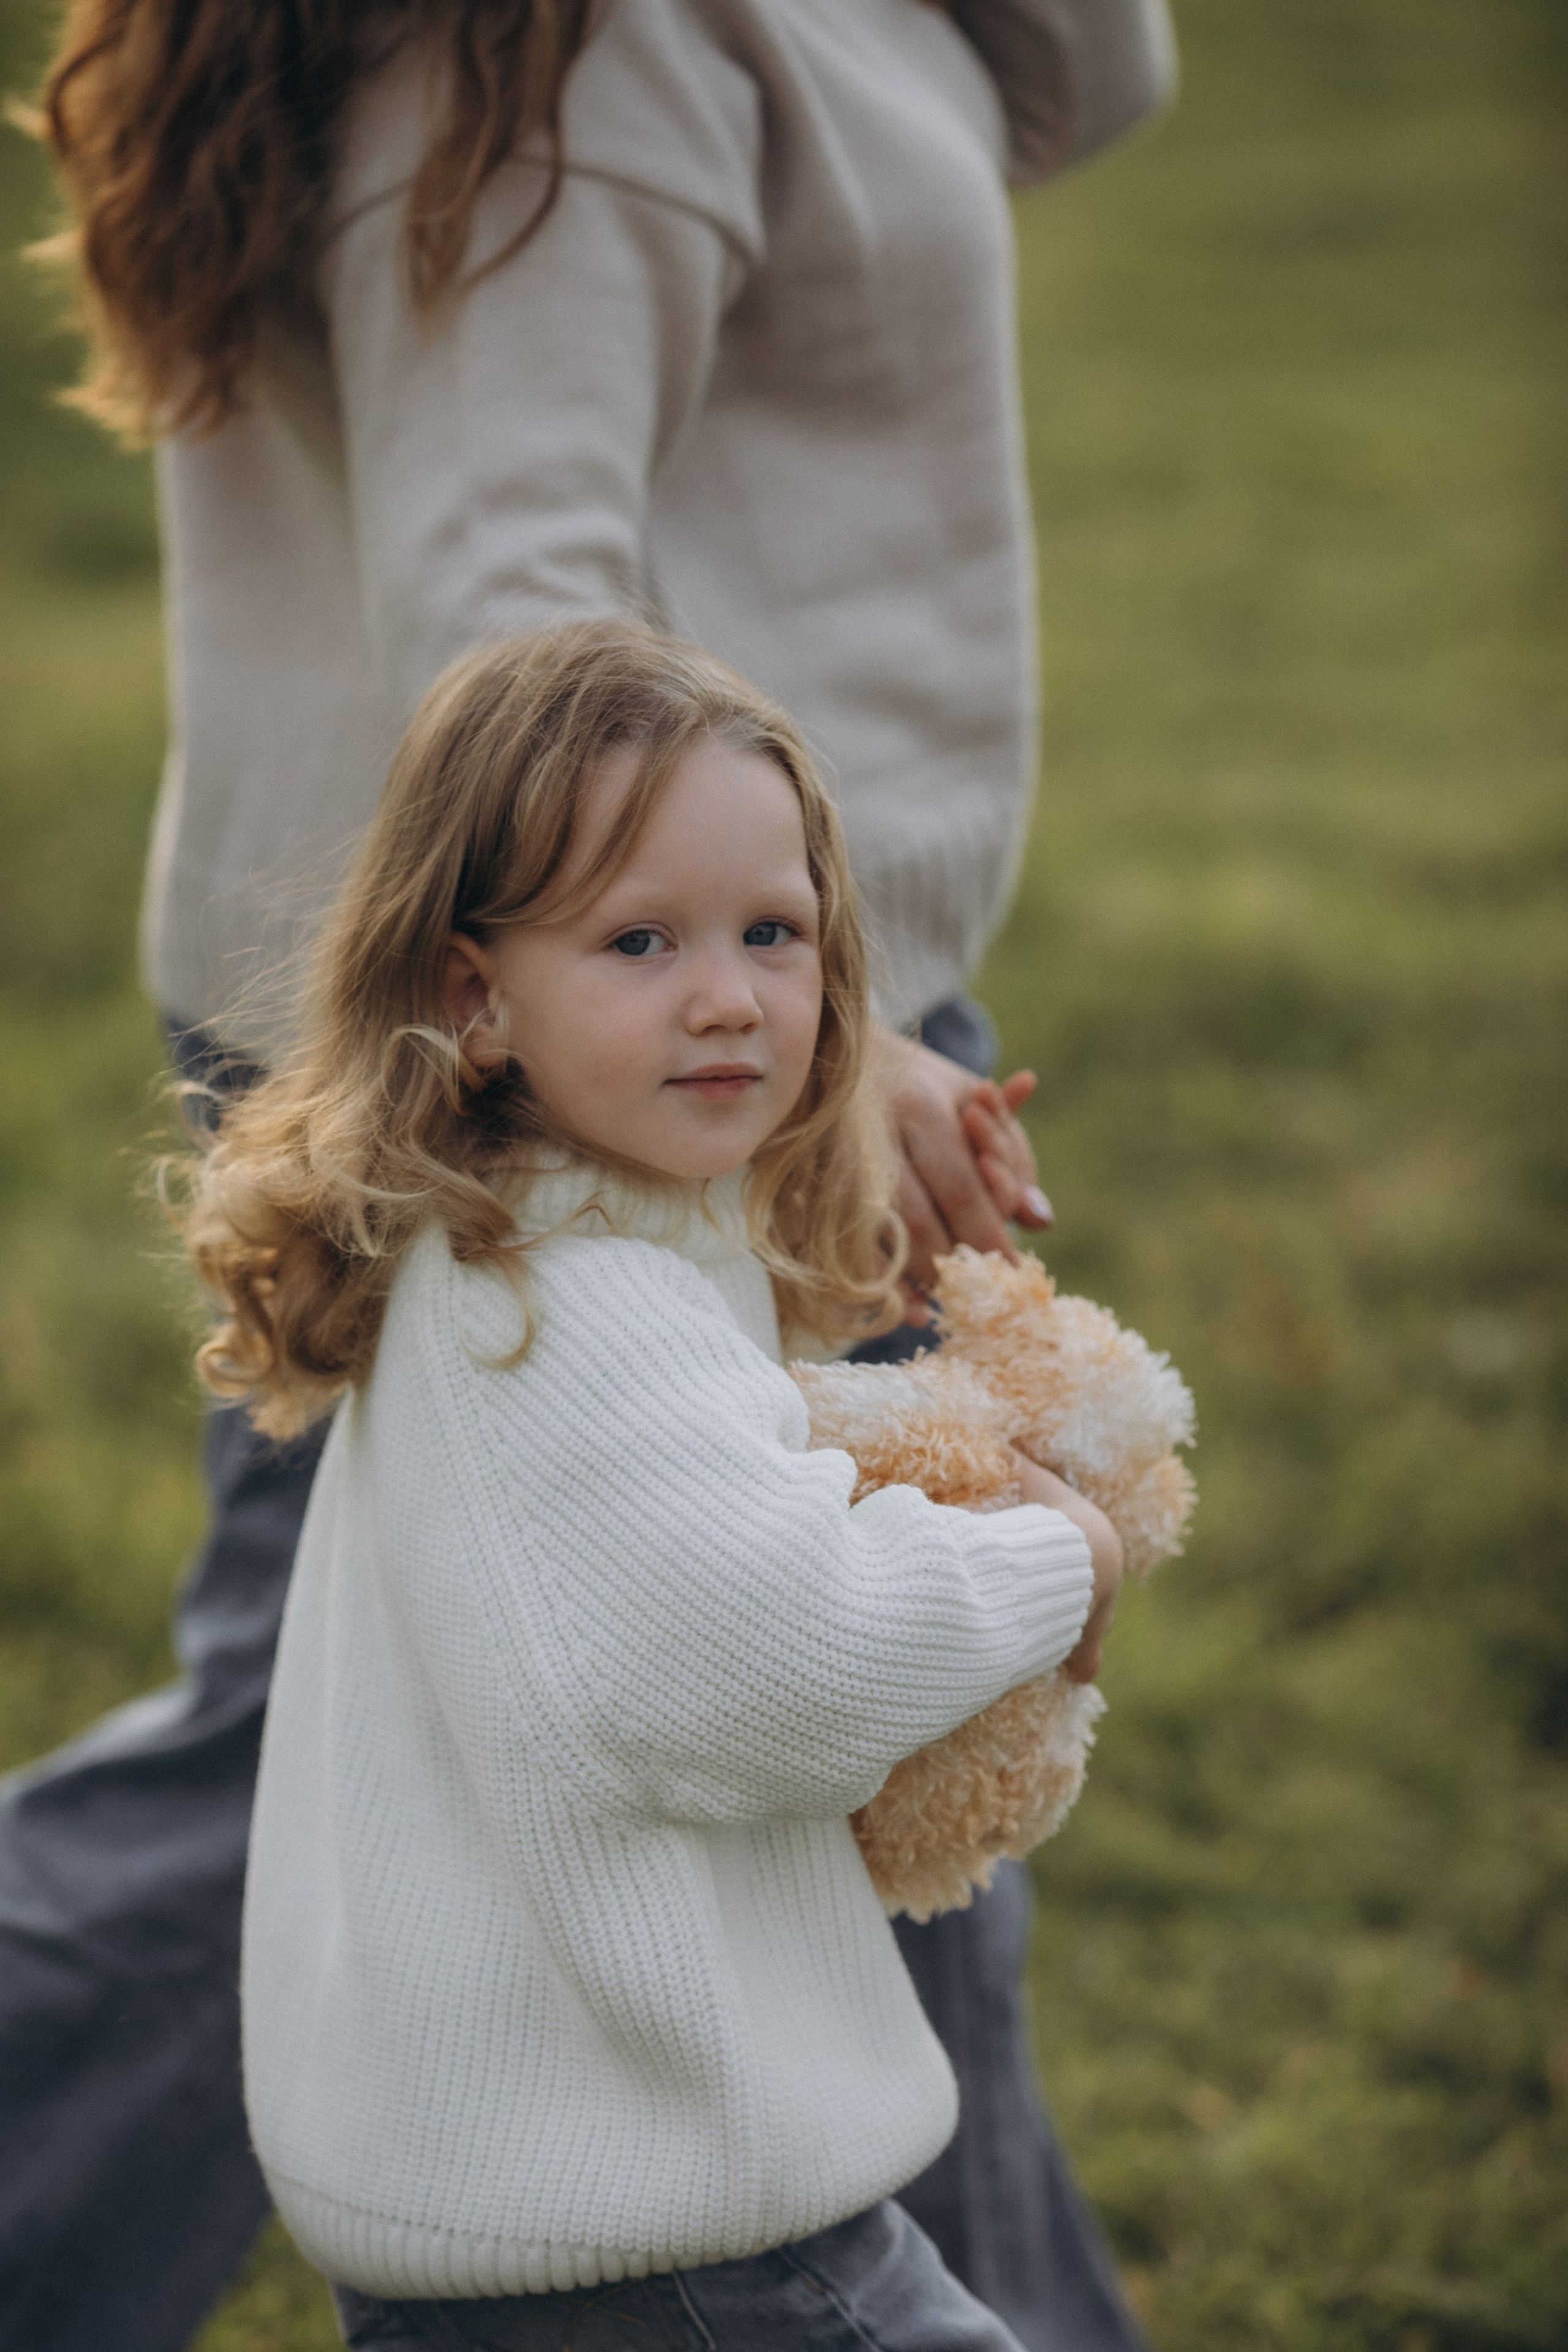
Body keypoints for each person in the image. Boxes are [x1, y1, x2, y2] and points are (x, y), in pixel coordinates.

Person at [2, 3, 1175, 2346]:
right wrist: (809, 1018)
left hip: (656, 988)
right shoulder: (572, 55)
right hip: (610, 1032)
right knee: (710, 1709)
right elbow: (516, 608)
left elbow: (1083, 75)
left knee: (627, 1748)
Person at [180, 615, 1126, 2352]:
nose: (726, 994)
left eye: (775, 932)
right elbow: (778, 1661)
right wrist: (1048, 1557)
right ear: (474, 993)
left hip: (545, 2209)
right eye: (640, 939)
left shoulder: (544, 1245)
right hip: (677, 2245)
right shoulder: (575, 1306)